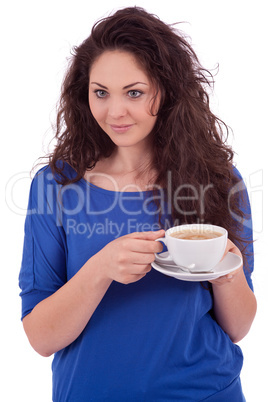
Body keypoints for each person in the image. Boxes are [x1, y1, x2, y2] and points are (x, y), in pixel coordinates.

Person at [19, 6, 257, 401]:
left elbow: (238, 328)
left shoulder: (218, 180)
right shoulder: (57, 186)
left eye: (134, 92)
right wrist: (101, 269)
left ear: (166, 91)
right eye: (101, 93)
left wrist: (226, 272)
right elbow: (40, 337)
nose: (115, 112)